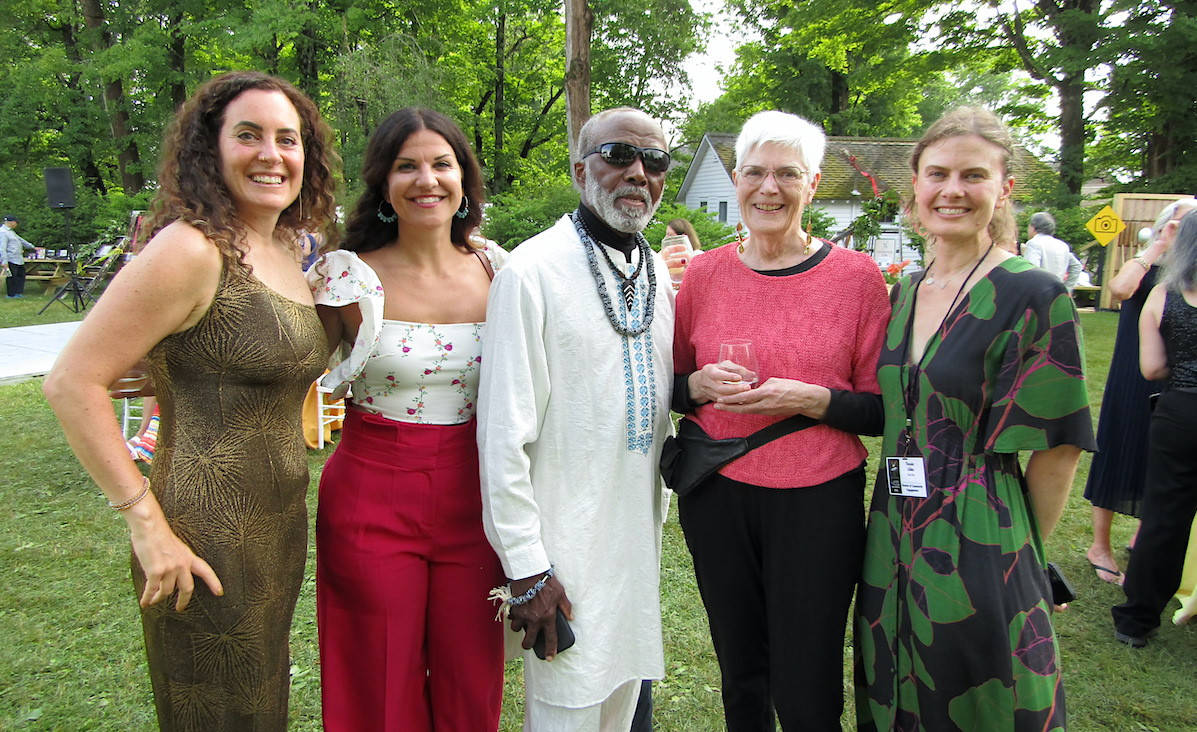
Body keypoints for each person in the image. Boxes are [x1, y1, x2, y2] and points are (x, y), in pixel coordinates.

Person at [42, 70, 338, 730]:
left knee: (259, 709)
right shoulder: (190, 248)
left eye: (287, 139)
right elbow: (71, 382)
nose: (271, 154)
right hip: (197, 538)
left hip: (275, 531)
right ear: (210, 149)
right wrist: (146, 524)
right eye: (248, 135)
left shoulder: (285, 247)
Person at [853, 107, 1095, 730]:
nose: (952, 190)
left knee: (981, 696)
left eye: (973, 175)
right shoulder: (906, 289)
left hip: (984, 530)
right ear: (915, 183)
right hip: (892, 529)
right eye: (937, 173)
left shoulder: (1035, 294)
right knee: (896, 688)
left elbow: (1058, 448)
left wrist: (1021, 558)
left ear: (1004, 188)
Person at [671, 110, 889, 730]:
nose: (770, 188)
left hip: (818, 497)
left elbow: (878, 408)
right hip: (718, 492)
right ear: (736, 179)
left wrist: (812, 399)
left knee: (808, 672)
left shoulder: (857, 278)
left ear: (813, 183)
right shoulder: (706, 275)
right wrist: (696, 385)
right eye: (756, 173)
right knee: (740, 668)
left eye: (787, 174)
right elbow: (673, 386)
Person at [308, 107, 507, 731]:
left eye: (442, 164)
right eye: (407, 166)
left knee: (470, 678)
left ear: (464, 178)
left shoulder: (499, 269)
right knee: (377, 677)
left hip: (478, 496)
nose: (427, 179)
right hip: (372, 491)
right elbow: (281, 366)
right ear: (384, 184)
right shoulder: (346, 277)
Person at [477, 106, 674, 730]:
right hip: (563, 553)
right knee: (568, 704)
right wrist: (529, 569)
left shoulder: (656, 272)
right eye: (618, 155)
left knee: (623, 701)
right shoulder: (531, 272)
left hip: (634, 543)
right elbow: (502, 438)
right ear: (579, 170)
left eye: (655, 161)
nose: (637, 172)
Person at [1084, 198, 1197, 583]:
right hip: (1131, 374)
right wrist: (1159, 246)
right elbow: (1118, 289)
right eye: (1180, 224)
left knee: (1160, 459)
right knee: (1118, 449)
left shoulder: (1190, 275)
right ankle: (1099, 545)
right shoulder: (1147, 265)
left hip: (1175, 378)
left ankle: (1143, 535)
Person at [1112, 210, 1197, 648]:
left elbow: (1151, 367)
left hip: (1180, 411)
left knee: (1165, 518)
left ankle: (1136, 619)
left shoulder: (1164, 295)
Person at [1023, 211, 1082, 292]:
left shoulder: (1034, 243)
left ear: (1033, 227)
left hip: (1038, 293)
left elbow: (1030, 271)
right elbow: (1077, 266)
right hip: (1057, 293)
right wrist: (1067, 288)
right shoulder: (1062, 245)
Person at [1, 215, 37, 297]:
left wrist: (33, 247)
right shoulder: (3, 232)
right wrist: (4, 261)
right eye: (16, 222)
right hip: (10, 258)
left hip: (18, 258)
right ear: (11, 222)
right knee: (12, 277)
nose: (17, 224)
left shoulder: (11, 232)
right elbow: (2, 247)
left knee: (21, 275)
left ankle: (18, 293)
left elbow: (21, 240)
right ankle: (11, 294)